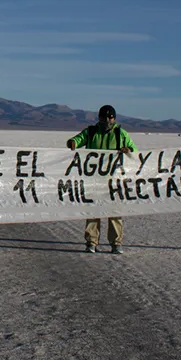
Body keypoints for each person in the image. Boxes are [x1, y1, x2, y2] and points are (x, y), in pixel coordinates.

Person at [67, 105, 137, 254]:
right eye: (104, 118)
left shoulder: (120, 134)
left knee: (114, 212)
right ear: (99, 118)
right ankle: (91, 242)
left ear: (114, 118)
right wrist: (73, 143)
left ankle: (116, 243)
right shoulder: (91, 132)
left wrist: (129, 150)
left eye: (110, 118)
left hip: (114, 180)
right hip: (94, 179)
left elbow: (134, 151)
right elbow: (78, 139)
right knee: (93, 211)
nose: (107, 121)